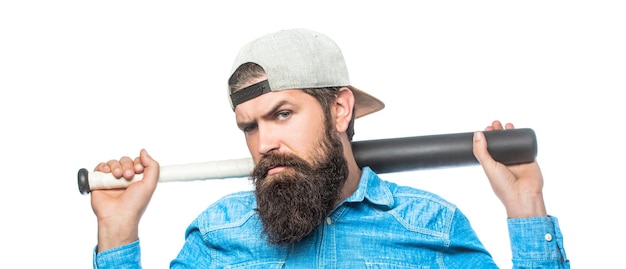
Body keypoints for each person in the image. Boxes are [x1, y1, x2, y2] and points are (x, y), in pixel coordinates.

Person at [90, 28, 569, 268]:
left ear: (340, 110)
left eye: (282, 114)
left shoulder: (430, 229)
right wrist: (117, 230)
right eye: (248, 127)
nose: (265, 144)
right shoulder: (218, 234)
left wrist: (525, 208)